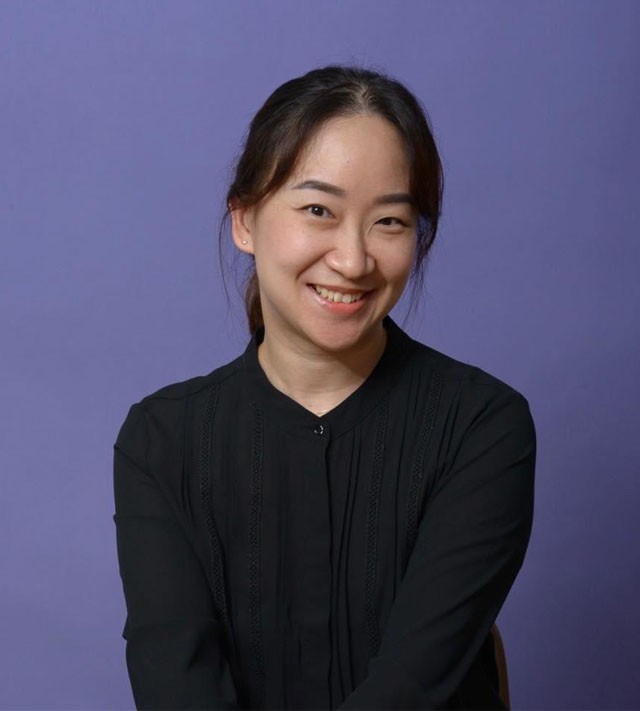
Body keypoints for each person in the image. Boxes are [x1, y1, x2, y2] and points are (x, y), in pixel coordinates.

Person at [113, 65, 536, 710]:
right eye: (318, 210)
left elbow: (414, 685)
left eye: (389, 221)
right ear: (244, 220)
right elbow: (176, 677)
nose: (353, 259)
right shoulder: (161, 439)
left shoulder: (481, 424)